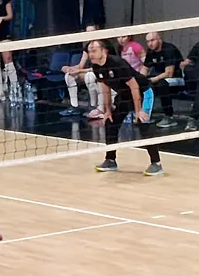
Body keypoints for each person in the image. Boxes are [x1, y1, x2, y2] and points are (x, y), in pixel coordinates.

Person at [89, 39, 164, 176]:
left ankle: (156, 163)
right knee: (110, 122)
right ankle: (110, 160)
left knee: (142, 123)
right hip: (124, 95)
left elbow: (134, 86)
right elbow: (105, 88)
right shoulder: (96, 67)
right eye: (89, 51)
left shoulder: (117, 63)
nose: (91, 54)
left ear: (103, 51)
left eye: (94, 51)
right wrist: (107, 110)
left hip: (143, 92)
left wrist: (138, 111)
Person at [142, 32, 184, 128]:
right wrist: (140, 79)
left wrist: (153, 79)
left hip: (177, 79)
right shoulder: (150, 51)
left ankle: (169, 117)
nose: (150, 44)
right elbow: (145, 69)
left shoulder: (168, 49)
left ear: (159, 39)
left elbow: (169, 73)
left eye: (152, 40)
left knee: (162, 84)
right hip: (160, 78)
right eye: (148, 41)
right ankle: (146, 115)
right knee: (142, 84)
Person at [60, 25, 102, 118]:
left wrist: (79, 70)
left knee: (89, 76)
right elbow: (80, 65)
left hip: (102, 72)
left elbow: (99, 68)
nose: (90, 35)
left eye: (92, 32)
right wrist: (70, 69)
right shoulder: (87, 47)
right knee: (69, 76)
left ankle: (93, 107)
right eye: (87, 32)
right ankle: (74, 106)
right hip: (89, 71)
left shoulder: (103, 46)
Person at [181, 39, 199, 130]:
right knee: (188, 68)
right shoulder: (198, 45)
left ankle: (193, 119)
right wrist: (182, 65)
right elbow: (186, 62)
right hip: (196, 76)